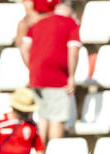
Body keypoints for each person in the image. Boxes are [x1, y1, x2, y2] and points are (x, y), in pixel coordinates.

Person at [20, 0, 79, 141]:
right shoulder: (70, 24)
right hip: (57, 77)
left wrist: (32, 67)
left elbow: (23, 49)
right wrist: (71, 76)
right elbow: (73, 50)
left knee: (43, 118)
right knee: (56, 120)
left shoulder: (38, 23)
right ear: (71, 12)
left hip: (36, 78)